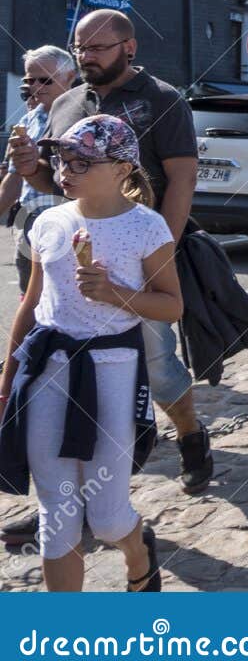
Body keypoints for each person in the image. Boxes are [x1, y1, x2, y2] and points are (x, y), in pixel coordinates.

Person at [7, 10, 211, 499]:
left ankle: (189, 432)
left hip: (137, 253)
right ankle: (69, 497)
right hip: (68, 251)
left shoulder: (162, 100)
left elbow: (182, 179)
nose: (87, 56)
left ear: (130, 47)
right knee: (64, 367)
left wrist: (162, 252)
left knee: (158, 367)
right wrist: (33, 165)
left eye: (98, 47)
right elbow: (54, 181)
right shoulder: (67, 103)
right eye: (80, 48)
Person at [0, 115, 181, 591]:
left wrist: (114, 293)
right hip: (49, 368)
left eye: (83, 161)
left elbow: (171, 305)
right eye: (62, 158)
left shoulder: (146, 226)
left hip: (114, 369)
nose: (66, 169)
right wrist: (7, 380)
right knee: (56, 512)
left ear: (122, 169)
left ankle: (138, 551)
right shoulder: (48, 221)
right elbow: (33, 304)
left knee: (105, 516)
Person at [1, 47, 76, 290]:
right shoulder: (27, 120)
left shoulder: (85, 115)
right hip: (30, 221)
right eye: (29, 80)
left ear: (70, 77)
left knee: (65, 294)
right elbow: (14, 178)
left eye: (45, 80)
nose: (35, 86)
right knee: (29, 292)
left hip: (69, 222)